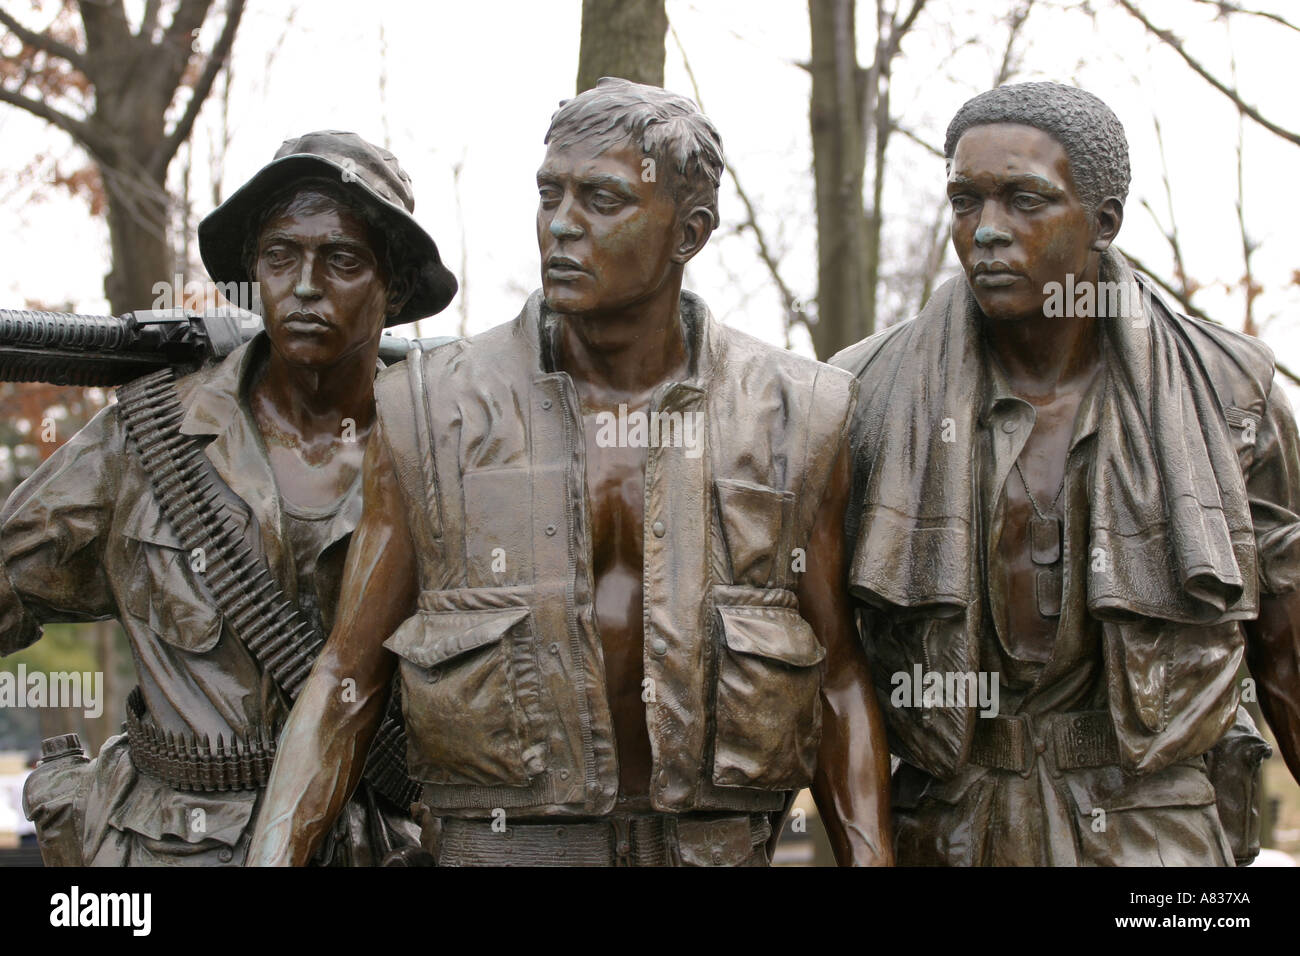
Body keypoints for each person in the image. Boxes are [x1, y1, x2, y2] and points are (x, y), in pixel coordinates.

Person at [248, 78, 893, 867]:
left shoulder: (800, 413)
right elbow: (347, 677)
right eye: (550, 193)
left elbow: (838, 677)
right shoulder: (428, 409)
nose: (562, 225)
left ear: (688, 233)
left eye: (604, 199)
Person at [832, 82, 1300, 865]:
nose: (986, 232)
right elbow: (831, 664)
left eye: (1025, 200)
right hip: (948, 826)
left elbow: (1287, 646)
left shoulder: (1232, 392)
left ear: (1105, 221)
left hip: (1159, 830)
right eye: (965, 201)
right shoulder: (862, 394)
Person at [2, 130, 457, 865]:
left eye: (341, 259)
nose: (305, 283)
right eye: (280, 256)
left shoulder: (448, 457)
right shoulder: (146, 437)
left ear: (395, 286)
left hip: (379, 843)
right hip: (163, 848)